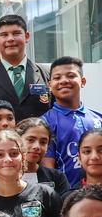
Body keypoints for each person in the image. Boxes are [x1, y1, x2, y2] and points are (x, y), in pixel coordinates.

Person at [41, 57, 102, 188]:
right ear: (49, 85)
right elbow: (48, 170)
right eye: (57, 78)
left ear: (83, 81)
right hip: (67, 198)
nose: (63, 81)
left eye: (71, 75)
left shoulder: (99, 118)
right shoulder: (44, 123)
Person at [17, 117, 71, 195]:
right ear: (17, 140)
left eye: (43, 142)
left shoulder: (57, 177)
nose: (37, 146)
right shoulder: (4, 176)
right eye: (30, 140)